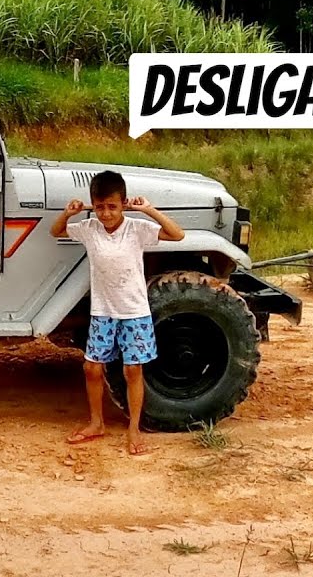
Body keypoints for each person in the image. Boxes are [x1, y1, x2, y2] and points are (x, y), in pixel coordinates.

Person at [49, 170, 185, 456]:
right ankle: (96, 422)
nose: (106, 214)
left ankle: (133, 427)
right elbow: (57, 231)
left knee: (132, 370)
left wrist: (148, 210)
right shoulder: (89, 229)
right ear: (93, 205)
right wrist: (69, 213)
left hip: (134, 311)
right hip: (103, 311)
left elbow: (177, 234)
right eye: (99, 207)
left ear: (123, 203)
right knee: (91, 368)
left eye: (112, 206)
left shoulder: (137, 228)